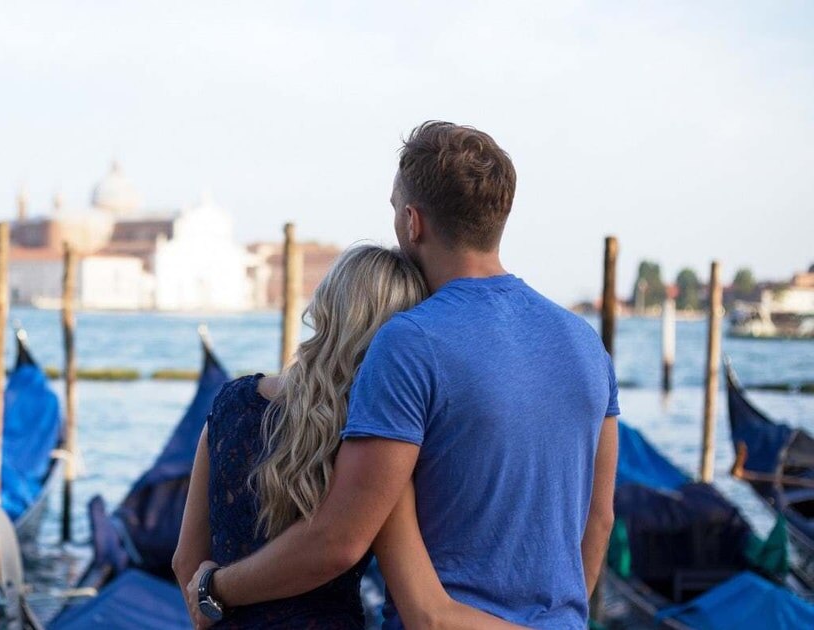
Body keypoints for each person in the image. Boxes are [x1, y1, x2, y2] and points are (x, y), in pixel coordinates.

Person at [184, 121, 620, 629]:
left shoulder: (408, 343)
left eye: (394, 207)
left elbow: (340, 539)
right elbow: (599, 519)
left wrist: (215, 589)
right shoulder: (585, 342)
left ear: (413, 222)